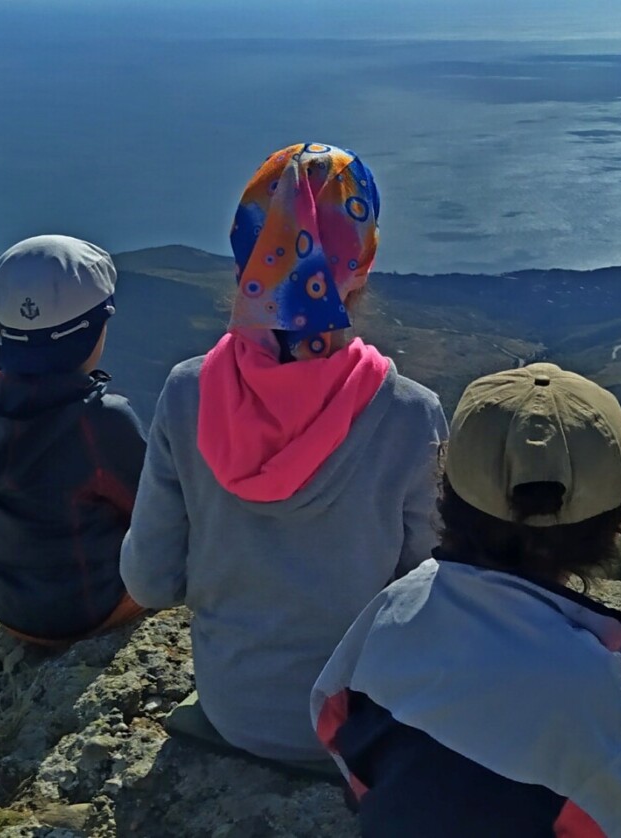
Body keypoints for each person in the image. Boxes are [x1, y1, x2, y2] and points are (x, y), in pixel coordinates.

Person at [120, 143, 449, 762]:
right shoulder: (410, 415)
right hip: (357, 726)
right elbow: (429, 599)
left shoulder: (187, 393)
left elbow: (149, 582)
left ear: (246, 250)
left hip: (232, 710)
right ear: (364, 260)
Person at [312, 363, 621, 837]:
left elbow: (328, 711)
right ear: (615, 520)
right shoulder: (583, 687)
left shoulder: (396, 605)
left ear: (447, 491)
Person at [0, 234, 147, 648]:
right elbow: (154, 513)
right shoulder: (100, 418)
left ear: (1, 328)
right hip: (82, 613)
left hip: (8, 604)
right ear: (97, 328)